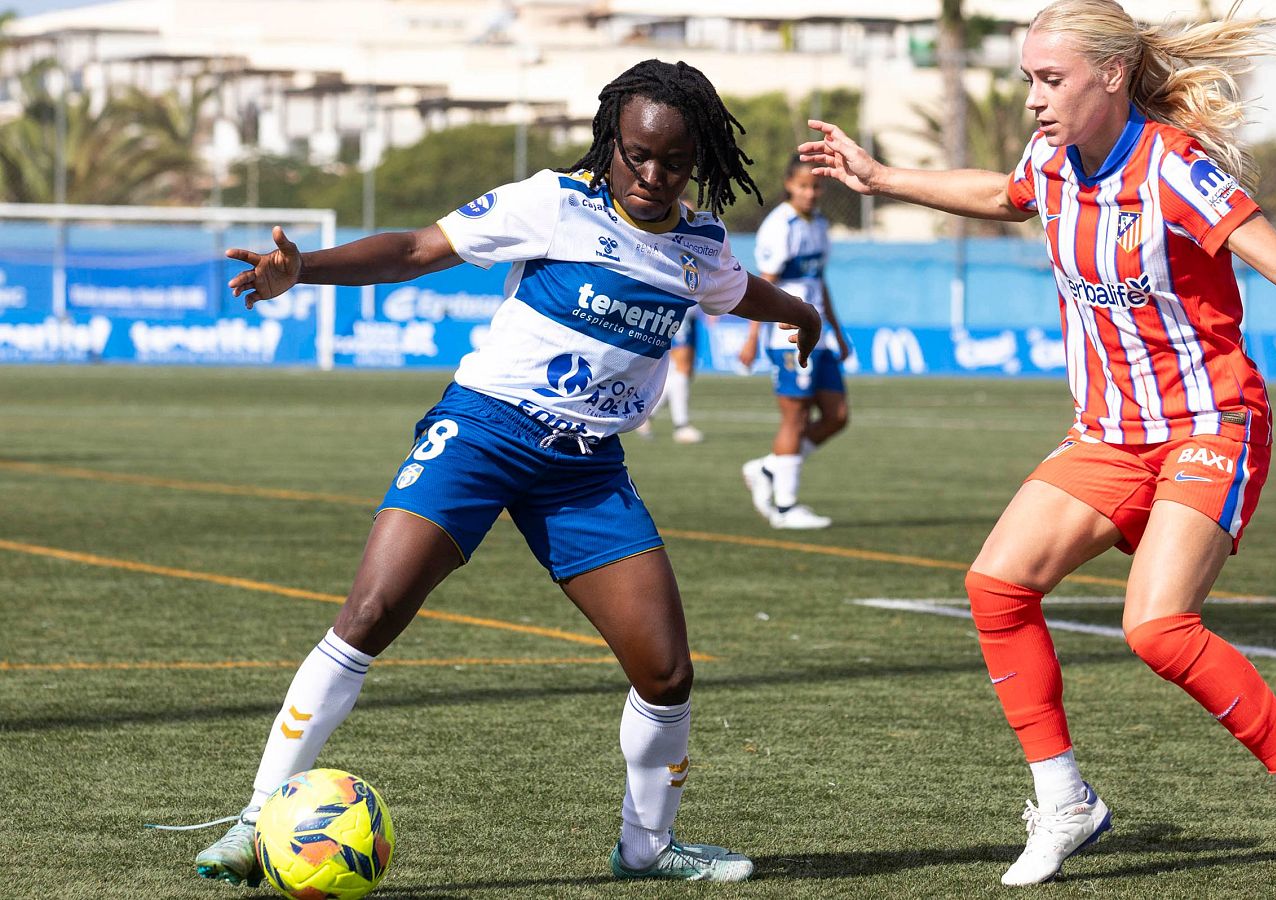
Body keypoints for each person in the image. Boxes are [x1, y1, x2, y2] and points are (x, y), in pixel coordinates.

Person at [800, 0, 1276, 888]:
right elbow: (1001, 193)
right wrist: (879, 177)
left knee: (1156, 627)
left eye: (1051, 78)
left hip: (1209, 424)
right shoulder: (1053, 159)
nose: (1033, 97)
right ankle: (1065, 801)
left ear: (1111, 76)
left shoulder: (1177, 171)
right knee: (996, 586)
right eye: (1029, 77)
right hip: (1108, 433)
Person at [193, 59, 820, 887]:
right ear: (613, 142)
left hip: (587, 471)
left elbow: (736, 293)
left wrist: (802, 313)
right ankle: (251, 821)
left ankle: (647, 847)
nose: (652, 175)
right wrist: (303, 268)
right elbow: (418, 248)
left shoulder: (701, 243)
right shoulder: (554, 202)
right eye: (636, 154)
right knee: (371, 612)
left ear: (698, 157)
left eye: (673, 161)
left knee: (666, 672)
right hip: (484, 432)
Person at [738, 156, 850, 530]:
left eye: (816, 186)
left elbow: (821, 282)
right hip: (786, 335)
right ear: (789, 184)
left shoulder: (819, 224)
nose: (810, 192)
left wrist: (837, 329)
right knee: (796, 416)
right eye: (803, 186)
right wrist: (752, 337)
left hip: (818, 335)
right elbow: (762, 288)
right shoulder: (778, 227)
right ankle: (785, 506)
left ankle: (769, 469)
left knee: (837, 416)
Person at [636, 304, 707, 443]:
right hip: (681, 307)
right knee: (682, 368)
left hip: (692, 309)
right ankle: (681, 426)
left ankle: (645, 416)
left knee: (681, 371)